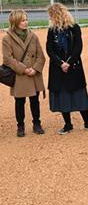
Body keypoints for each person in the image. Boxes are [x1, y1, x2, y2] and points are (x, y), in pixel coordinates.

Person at [46, 3, 88, 134]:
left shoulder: (74, 28)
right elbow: (49, 49)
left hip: (74, 67)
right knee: (63, 96)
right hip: (58, 69)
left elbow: (78, 47)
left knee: (79, 95)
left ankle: (87, 122)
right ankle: (68, 124)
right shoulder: (51, 30)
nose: (50, 18)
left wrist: (68, 63)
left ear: (57, 15)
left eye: (51, 15)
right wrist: (60, 63)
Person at [2, 9, 46, 137]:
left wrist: (35, 69)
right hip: (20, 75)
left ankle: (37, 124)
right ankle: (20, 126)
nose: (26, 22)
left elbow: (41, 56)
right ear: (15, 22)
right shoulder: (7, 39)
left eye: (26, 19)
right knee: (19, 102)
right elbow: (7, 59)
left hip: (34, 75)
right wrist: (24, 69)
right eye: (22, 20)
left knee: (34, 101)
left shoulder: (33, 36)